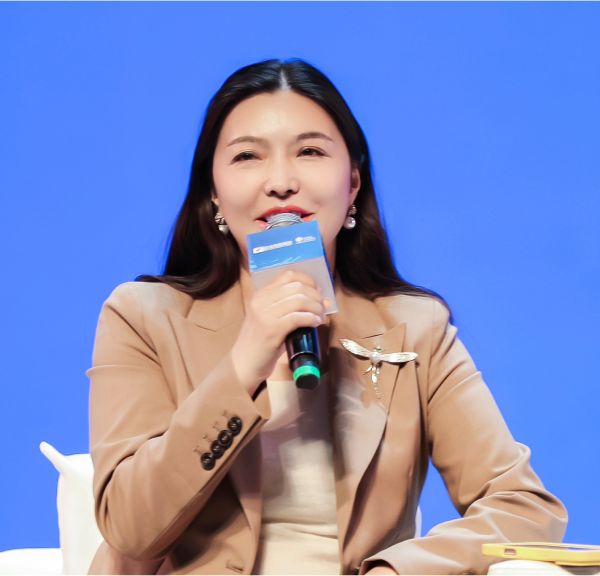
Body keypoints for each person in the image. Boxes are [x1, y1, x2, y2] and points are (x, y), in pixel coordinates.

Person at [87, 59, 567, 575]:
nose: (281, 182)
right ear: (214, 192)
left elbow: (523, 507)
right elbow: (130, 530)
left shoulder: (416, 329)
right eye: (248, 156)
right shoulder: (144, 317)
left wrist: (397, 572)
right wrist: (245, 362)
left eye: (310, 152)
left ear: (352, 183)